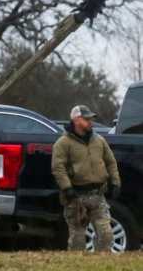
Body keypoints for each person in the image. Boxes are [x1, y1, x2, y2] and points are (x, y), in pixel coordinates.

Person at [52, 105, 121, 251]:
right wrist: (67, 188)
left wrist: (115, 182)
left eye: (91, 119)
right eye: (86, 119)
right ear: (76, 120)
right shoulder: (63, 143)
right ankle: (77, 264)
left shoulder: (99, 140)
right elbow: (58, 168)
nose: (90, 122)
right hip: (76, 197)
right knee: (78, 238)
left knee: (106, 235)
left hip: (98, 195)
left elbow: (111, 162)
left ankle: (102, 264)